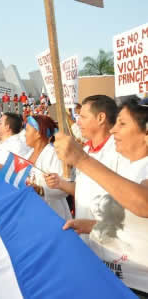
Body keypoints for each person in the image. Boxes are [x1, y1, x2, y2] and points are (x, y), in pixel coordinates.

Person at [54, 98, 148, 297]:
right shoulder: (129, 166)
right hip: (116, 277)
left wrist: (81, 160)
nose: (113, 130)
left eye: (122, 124)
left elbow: (143, 203)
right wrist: (91, 226)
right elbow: (129, 221)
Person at [45, 95, 118, 243]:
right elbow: (83, 189)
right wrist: (60, 183)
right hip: (86, 239)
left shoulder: (119, 150)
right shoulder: (85, 150)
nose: (78, 122)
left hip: (114, 245)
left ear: (101, 118)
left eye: (83, 117)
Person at [24, 115, 71, 220]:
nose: (24, 134)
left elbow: (64, 188)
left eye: (27, 130)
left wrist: (41, 190)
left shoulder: (54, 154)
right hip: (33, 212)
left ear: (38, 133)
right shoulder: (28, 154)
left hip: (53, 214)